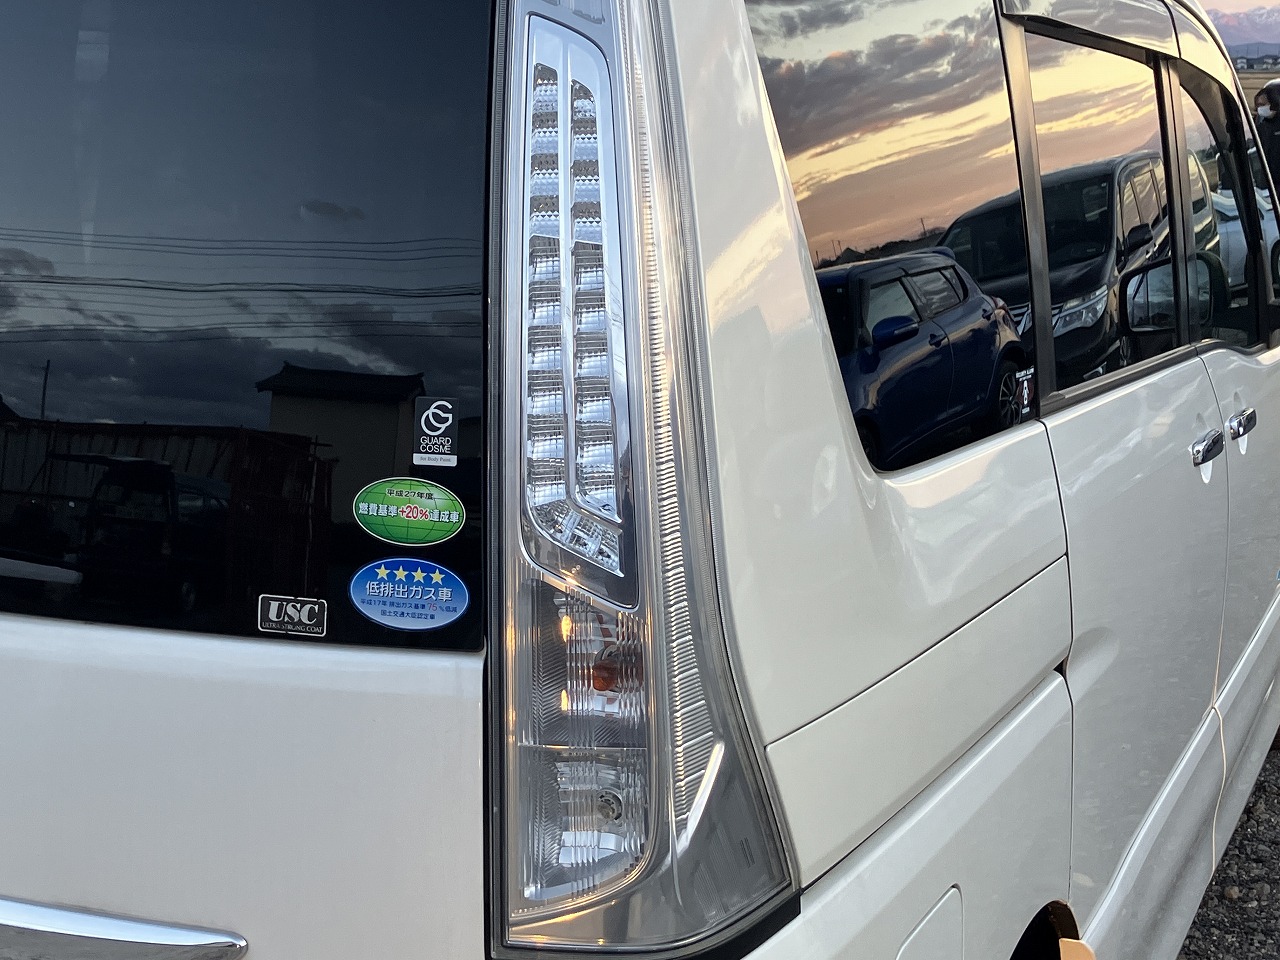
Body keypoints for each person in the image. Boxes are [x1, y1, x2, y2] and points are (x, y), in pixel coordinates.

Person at [1255, 81, 1280, 189]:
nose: (1260, 109)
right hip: (1268, 185)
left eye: (1263, 105)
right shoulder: (1261, 126)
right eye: (1258, 105)